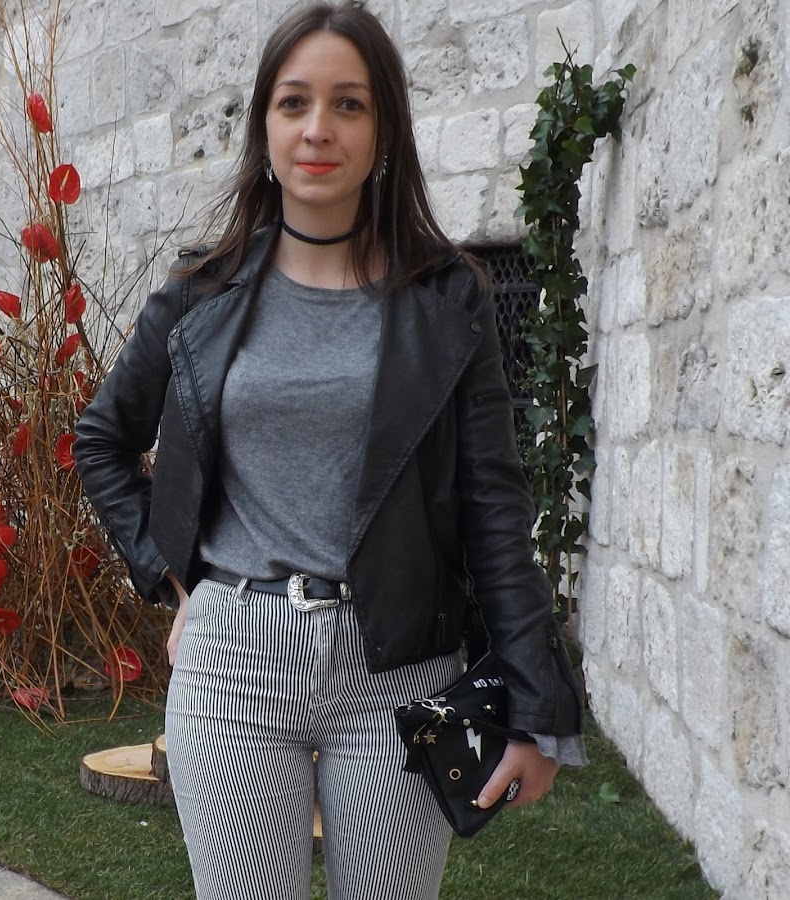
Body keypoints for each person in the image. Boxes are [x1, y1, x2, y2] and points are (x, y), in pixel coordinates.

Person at [74, 2, 586, 898]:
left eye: (349, 104)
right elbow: (102, 439)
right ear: (264, 126)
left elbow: (494, 507)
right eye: (294, 102)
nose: (318, 128)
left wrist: (536, 708)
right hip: (233, 665)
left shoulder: (448, 298)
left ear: (383, 130)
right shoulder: (199, 295)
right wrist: (169, 576)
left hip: (397, 670)